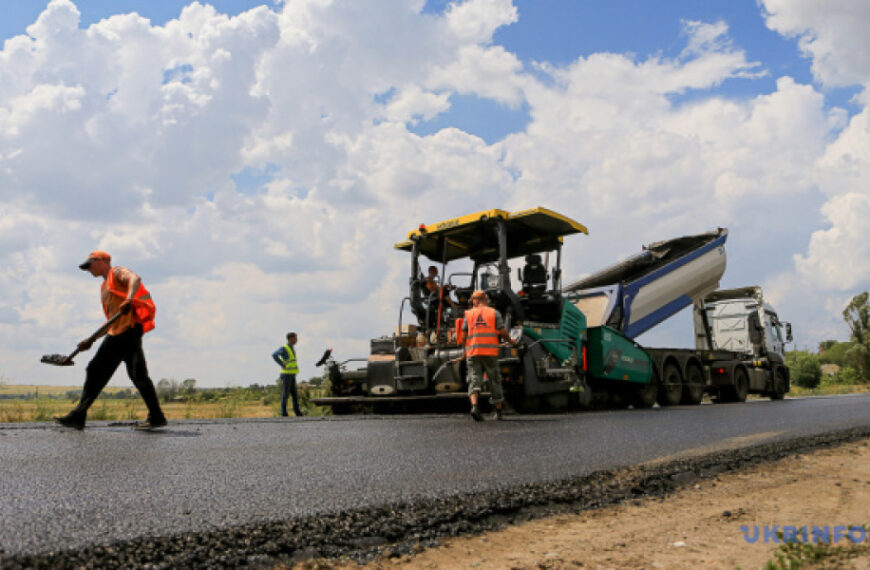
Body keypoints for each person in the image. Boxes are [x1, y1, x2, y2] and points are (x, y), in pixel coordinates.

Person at [54, 251, 166, 430]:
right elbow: (111, 321)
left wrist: (129, 299)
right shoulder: (104, 288)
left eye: (89, 265)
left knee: (95, 370)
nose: (88, 270)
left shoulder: (116, 273)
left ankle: (78, 415)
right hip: (123, 331)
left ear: (101, 261)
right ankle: (157, 416)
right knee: (138, 375)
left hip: (126, 331)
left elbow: (135, 278)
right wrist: (91, 340)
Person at [462, 290, 515, 421]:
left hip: (473, 352)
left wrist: (465, 350)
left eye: (473, 300)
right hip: (490, 353)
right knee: (495, 380)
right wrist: (510, 341)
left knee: (474, 379)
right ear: (485, 299)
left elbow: (463, 334)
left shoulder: (468, 314)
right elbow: (502, 331)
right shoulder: (494, 313)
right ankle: (498, 411)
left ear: (476, 300)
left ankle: (475, 407)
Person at [272, 332, 303, 417]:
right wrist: (282, 364)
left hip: (292, 374)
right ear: (291, 338)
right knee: (286, 394)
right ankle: (284, 413)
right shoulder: (285, 348)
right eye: (295, 338)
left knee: (295, 395)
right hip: (286, 375)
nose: (296, 340)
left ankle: (297, 412)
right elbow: (274, 355)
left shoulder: (292, 348)